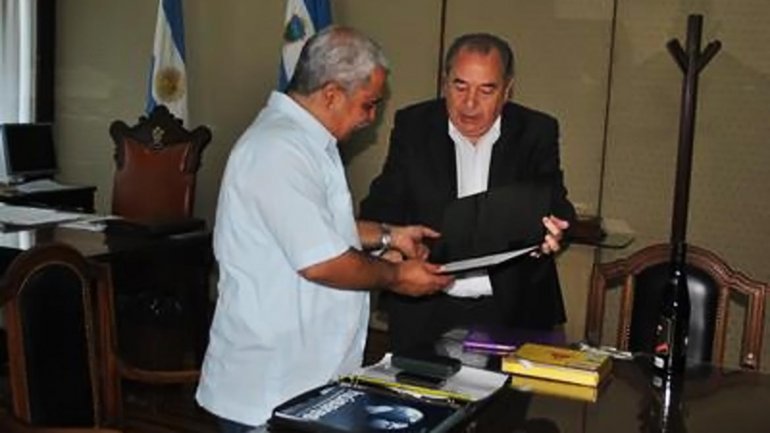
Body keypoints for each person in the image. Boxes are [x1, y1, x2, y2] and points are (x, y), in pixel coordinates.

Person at [196, 26, 453, 432]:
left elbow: (319, 227)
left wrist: (389, 234)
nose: (371, 118)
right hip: (270, 387)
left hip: (308, 378)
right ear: (331, 94)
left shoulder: (307, 141)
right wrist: (397, 276)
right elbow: (323, 261)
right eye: (368, 104)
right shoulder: (278, 149)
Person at [360, 33, 575, 354]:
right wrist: (388, 249)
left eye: (486, 90)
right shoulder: (414, 125)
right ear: (444, 82)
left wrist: (554, 230)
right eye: (460, 86)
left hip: (513, 310)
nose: (470, 103)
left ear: (507, 90)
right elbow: (382, 205)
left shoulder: (535, 131)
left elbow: (556, 203)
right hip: (426, 307)